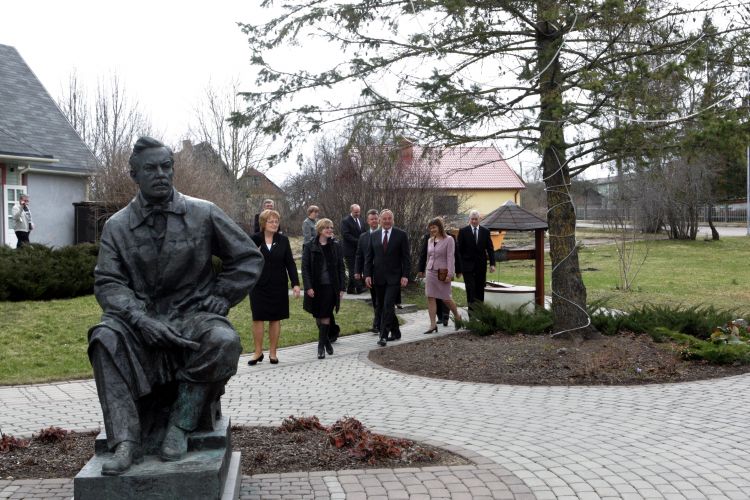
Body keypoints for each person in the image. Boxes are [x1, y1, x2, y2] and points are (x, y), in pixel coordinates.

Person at [87, 137, 263, 475]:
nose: (160, 174)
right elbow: (108, 282)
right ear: (134, 174)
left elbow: (246, 258)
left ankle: (181, 424)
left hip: (192, 314)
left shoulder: (203, 213)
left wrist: (222, 295)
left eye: (166, 167)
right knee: (104, 338)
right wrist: (139, 319)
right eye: (150, 168)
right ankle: (126, 441)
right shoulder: (117, 226)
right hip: (140, 318)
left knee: (223, 341)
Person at [248, 209, 300, 365]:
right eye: (271, 221)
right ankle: (258, 352)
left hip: (278, 285)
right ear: (263, 223)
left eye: (276, 221)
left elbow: (290, 263)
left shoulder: (283, 240)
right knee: (258, 318)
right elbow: (245, 259)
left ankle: (273, 353)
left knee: (275, 318)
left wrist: (295, 284)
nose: (274, 224)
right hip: (258, 285)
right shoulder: (254, 239)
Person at [364, 209, 410, 347]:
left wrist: (405, 275)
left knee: (388, 305)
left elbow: (406, 258)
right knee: (383, 305)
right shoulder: (374, 235)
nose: (387, 221)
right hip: (378, 277)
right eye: (384, 219)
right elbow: (369, 257)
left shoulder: (401, 235)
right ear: (380, 220)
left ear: (393, 220)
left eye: (389, 218)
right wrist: (367, 275)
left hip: (394, 277)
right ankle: (396, 332)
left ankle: (383, 335)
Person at [302, 218, 346, 359]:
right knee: (317, 315)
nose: (330, 230)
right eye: (327, 227)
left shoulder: (336, 246)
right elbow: (305, 268)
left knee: (326, 314)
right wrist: (308, 287)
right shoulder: (309, 246)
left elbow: (341, 267)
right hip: (315, 286)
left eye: (331, 228)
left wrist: (342, 287)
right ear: (320, 229)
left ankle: (320, 347)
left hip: (331, 287)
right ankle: (326, 341)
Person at [418, 218, 462, 333]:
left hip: (443, 272)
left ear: (440, 227)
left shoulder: (449, 239)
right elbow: (428, 256)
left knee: (446, 298)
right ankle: (433, 325)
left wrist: (450, 274)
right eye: (430, 228)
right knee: (430, 297)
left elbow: (450, 258)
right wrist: (425, 269)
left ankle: (457, 316)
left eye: (434, 227)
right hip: (430, 272)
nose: (432, 230)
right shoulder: (430, 240)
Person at [457, 210, 496, 314]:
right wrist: (459, 268)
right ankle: (471, 315)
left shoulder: (485, 231)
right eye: (472, 219)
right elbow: (459, 251)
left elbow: (490, 249)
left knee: (480, 290)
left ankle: (480, 314)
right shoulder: (463, 231)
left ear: (480, 219)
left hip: (481, 266)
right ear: (469, 219)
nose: (474, 221)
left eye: (476, 219)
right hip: (467, 267)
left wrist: (492, 264)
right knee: (471, 289)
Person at [354, 209, 381, 333]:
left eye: (376, 219)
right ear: (368, 221)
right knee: (375, 298)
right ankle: (378, 321)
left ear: (378, 220)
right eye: (372, 219)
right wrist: (357, 271)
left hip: (383, 272)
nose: (374, 221)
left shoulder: (384, 234)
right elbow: (359, 255)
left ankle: (377, 323)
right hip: (369, 273)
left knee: (380, 299)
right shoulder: (363, 237)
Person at [341, 203, 366, 294]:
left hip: (359, 250)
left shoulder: (361, 220)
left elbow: (363, 231)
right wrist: (359, 241)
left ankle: (350, 289)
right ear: (351, 211)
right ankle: (359, 288)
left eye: (358, 212)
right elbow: (346, 235)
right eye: (356, 212)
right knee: (353, 269)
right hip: (349, 250)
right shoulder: (345, 221)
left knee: (357, 268)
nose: (357, 214)